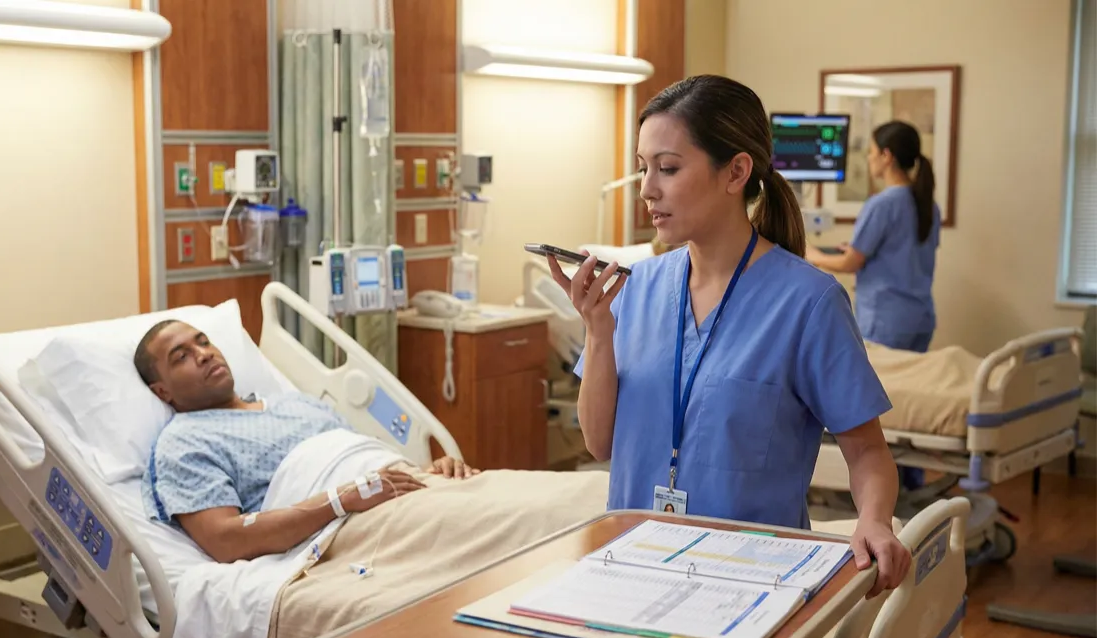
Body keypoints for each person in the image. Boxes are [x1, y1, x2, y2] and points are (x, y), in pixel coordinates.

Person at [548, 74, 911, 602]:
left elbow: (867, 452)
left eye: (668, 168)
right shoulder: (634, 288)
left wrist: (874, 521)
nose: (648, 187)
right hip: (632, 569)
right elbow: (598, 442)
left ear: (736, 171)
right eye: (643, 167)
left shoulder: (808, 302)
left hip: (752, 587)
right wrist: (599, 334)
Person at [133, 318, 478, 564]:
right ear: (162, 391)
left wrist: (429, 470)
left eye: (204, 341)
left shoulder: (295, 402)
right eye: (181, 357)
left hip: (409, 493)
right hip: (349, 526)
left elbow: (362, 464)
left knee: (498, 502)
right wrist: (339, 501)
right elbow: (226, 539)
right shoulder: (185, 441)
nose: (204, 354)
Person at [805, 120, 941, 354]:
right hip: (921, 318)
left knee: (880, 388)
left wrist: (811, 253)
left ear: (886, 156)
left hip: (887, 322)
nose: (868, 158)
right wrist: (857, 248)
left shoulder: (882, 204)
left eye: (871, 151)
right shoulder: (929, 204)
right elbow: (903, 251)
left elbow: (850, 263)